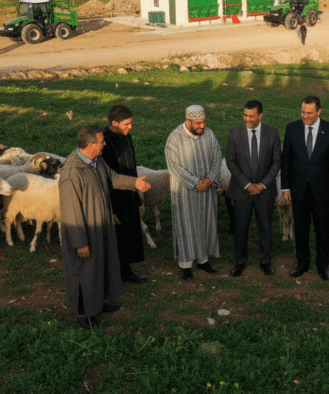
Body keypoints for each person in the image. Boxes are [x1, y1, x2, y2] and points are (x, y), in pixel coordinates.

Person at [58, 125, 151, 330]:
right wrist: (80, 242)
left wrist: (135, 183)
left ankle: (97, 303)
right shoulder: (72, 173)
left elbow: (113, 178)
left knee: (99, 268)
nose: (105, 144)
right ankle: (85, 313)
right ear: (91, 145)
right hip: (85, 233)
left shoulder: (97, 161)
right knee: (84, 271)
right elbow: (71, 211)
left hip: (101, 227)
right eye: (102, 141)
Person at [281, 95, 329, 280]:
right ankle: (302, 263)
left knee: (322, 229)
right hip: (298, 189)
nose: (305, 116)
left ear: (319, 112)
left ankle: (323, 265)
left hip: (322, 190)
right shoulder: (292, 128)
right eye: (303, 112)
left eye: (309, 112)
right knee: (300, 228)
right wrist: (285, 187)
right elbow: (286, 160)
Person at [165, 105, 223, 281]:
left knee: (205, 223)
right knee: (187, 226)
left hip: (207, 190)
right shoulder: (174, 139)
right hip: (185, 192)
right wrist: (195, 182)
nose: (202, 126)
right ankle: (186, 265)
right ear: (188, 121)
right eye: (198, 123)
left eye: (204, 122)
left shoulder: (209, 135)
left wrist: (210, 179)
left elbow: (217, 157)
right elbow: (174, 166)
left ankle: (203, 261)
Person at [225, 100, 281, 277]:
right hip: (242, 191)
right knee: (240, 228)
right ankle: (240, 261)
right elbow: (231, 162)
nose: (247, 119)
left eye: (251, 116)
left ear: (260, 116)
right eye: (245, 115)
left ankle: (265, 261)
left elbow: (276, 162)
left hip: (265, 191)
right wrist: (247, 185)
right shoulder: (235, 133)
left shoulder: (272, 133)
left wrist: (263, 184)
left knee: (266, 228)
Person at [100, 105, 147, 285]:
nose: (130, 127)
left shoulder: (126, 138)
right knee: (117, 237)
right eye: (126, 124)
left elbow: (132, 167)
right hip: (115, 197)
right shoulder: (104, 142)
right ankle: (114, 274)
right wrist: (110, 207)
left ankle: (126, 270)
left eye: (131, 123)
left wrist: (136, 196)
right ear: (114, 123)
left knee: (129, 234)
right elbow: (106, 176)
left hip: (129, 194)